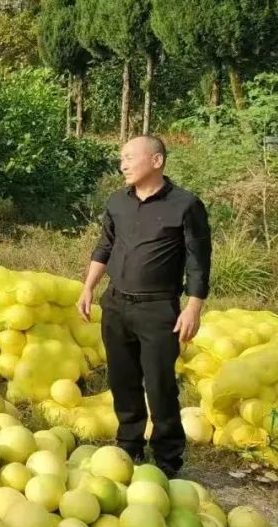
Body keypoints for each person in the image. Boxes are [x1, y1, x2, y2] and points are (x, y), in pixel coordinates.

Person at [78, 135, 212, 477]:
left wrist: (193, 306)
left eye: (129, 157)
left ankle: (168, 460)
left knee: (160, 384)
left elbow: (199, 260)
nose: (122, 164)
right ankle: (129, 445)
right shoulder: (117, 202)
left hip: (158, 309)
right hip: (117, 305)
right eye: (121, 158)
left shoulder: (185, 205)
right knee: (123, 380)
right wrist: (88, 287)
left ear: (156, 161)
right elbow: (104, 246)